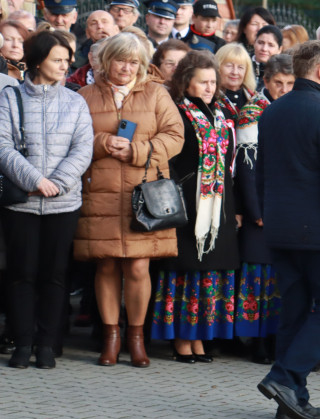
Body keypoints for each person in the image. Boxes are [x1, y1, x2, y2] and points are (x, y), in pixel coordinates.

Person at [254, 39, 320, 419]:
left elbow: (261, 173)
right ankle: (284, 377)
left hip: (281, 229)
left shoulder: (273, 111)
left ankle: (292, 398)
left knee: (295, 311)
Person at [74, 31, 185, 367]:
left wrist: (138, 150)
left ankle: (136, 337)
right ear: (107, 61)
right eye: (121, 59)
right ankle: (111, 336)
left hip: (145, 194)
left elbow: (175, 137)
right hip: (101, 193)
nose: (126, 67)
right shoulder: (84, 95)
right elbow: (72, 139)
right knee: (106, 263)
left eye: (134, 61)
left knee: (138, 267)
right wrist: (100, 143)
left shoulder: (156, 94)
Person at [0, 31, 92, 369]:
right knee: (21, 273)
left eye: (68, 60)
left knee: (55, 275)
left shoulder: (75, 101)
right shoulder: (9, 99)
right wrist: (34, 180)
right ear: (37, 61)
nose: (65, 66)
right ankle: (23, 343)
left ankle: (47, 345)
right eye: (58, 60)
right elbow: (2, 146)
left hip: (63, 204)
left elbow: (83, 149)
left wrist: (57, 182)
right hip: (21, 201)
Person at [149, 51, 239, 362]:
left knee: (210, 271)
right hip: (187, 202)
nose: (209, 88)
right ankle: (180, 338)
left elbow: (230, 165)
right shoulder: (177, 113)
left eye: (213, 82)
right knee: (185, 271)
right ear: (187, 82)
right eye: (203, 82)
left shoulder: (223, 114)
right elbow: (169, 160)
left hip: (219, 204)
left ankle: (200, 336)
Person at [234, 54, 293, 365]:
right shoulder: (252, 113)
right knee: (257, 277)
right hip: (262, 206)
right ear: (266, 82)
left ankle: (274, 337)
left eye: (289, 84)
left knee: (280, 279)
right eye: (277, 83)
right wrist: (257, 209)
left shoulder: (294, 110)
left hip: (288, 205)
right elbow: (247, 168)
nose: (283, 89)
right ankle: (255, 339)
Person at [215, 43, 256, 118]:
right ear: (218, 67)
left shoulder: (254, 99)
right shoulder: (210, 97)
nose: (235, 72)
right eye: (229, 66)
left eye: (240, 67)